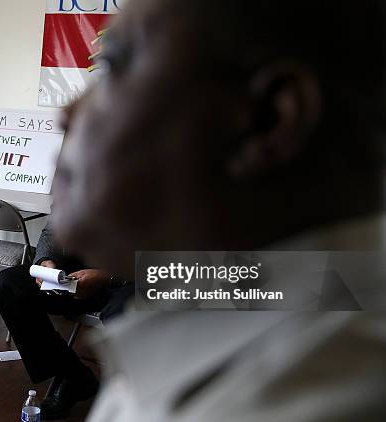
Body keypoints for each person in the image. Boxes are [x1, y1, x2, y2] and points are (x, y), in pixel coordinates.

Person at [51, 0, 386, 420]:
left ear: (266, 118)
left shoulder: (315, 400)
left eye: (115, 67)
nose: (67, 115)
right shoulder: (241, 292)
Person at [0, 220, 133, 419]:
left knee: (124, 317)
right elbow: (53, 228)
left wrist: (104, 276)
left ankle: (133, 400)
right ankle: (72, 375)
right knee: (6, 286)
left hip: (134, 278)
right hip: (79, 272)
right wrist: (45, 262)